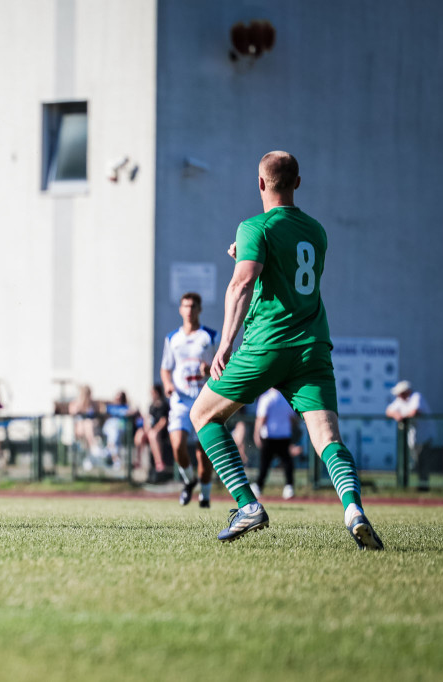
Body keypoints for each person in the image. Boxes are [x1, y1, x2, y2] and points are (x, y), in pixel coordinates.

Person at [189, 151, 383, 549]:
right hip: (312, 347)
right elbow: (285, 272)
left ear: (260, 184)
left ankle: (247, 505)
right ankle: (353, 510)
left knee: (203, 414)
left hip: (267, 345)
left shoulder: (254, 227)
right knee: (328, 437)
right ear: (297, 183)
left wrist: (225, 341)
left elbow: (242, 284)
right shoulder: (316, 231)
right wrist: (245, 251)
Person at [160, 292, 217, 508]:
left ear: (199, 309)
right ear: (180, 309)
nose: (189, 310)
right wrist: (167, 385)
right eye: (186, 306)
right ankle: (188, 480)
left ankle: (205, 494)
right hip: (181, 400)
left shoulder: (211, 336)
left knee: (204, 455)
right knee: (177, 446)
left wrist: (210, 369)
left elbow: (225, 366)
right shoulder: (172, 338)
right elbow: (166, 368)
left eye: (193, 306)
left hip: (204, 400)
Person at [385, 380, 435, 491]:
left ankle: (423, 487)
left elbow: (414, 412)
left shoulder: (416, 397)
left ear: (405, 391)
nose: (398, 395)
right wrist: (396, 414)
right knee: (414, 464)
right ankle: (409, 487)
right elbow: (388, 411)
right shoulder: (400, 401)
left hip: (424, 437)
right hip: (412, 440)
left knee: (423, 463)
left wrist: (402, 416)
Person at [251, 388, 297, 500]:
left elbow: (261, 418)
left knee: (264, 464)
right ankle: (289, 487)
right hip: (284, 435)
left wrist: (256, 434)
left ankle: (258, 487)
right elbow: (293, 418)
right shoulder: (287, 397)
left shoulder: (266, 397)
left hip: (269, 436)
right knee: (287, 463)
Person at [135, 384, 171, 483]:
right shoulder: (151, 406)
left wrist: (154, 429)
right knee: (139, 434)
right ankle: (138, 461)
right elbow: (148, 419)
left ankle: (159, 463)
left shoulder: (164, 405)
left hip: (160, 432)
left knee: (153, 435)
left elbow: (164, 421)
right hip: (151, 431)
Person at [69, 384, 103, 462]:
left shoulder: (93, 404)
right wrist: (81, 403)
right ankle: (93, 448)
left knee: (88, 424)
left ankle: (91, 455)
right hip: (79, 428)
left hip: (92, 428)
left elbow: (99, 414)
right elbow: (73, 413)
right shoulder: (75, 403)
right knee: (87, 424)